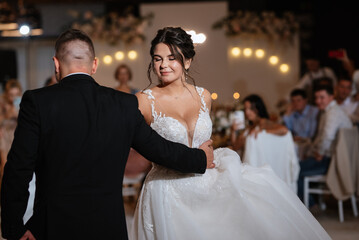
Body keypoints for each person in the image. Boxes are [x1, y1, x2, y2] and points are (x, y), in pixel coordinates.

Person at [0, 29, 214, 240]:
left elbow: (18, 169)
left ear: (56, 64)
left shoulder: (37, 102)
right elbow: (159, 149)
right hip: (108, 228)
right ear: (94, 65)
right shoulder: (123, 104)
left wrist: (14, 228)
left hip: (53, 227)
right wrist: (200, 158)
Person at [131, 27, 330, 240]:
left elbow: (205, 140)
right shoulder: (144, 101)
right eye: (157, 59)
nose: (163, 65)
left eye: (172, 58)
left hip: (204, 181)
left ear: (187, 61)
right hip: (166, 190)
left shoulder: (204, 96)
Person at [297, 84, 352, 208]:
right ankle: (313, 202)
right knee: (300, 164)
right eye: (316, 98)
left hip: (332, 162)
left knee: (295, 169)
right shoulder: (332, 111)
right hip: (337, 159)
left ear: (331, 97)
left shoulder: (332, 114)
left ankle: (310, 205)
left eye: (322, 97)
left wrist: (319, 153)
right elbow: (321, 138)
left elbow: (327, 137)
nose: (318, 101)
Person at [0, 79, 22, 186]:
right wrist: (8, 113)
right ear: (7, 94)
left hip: (17, 135)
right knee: (4, 167)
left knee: (17, 166)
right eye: (11, 94)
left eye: (16, 94)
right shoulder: (2, 102)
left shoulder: (23, 103)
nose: (14, 97)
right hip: (5, 136)